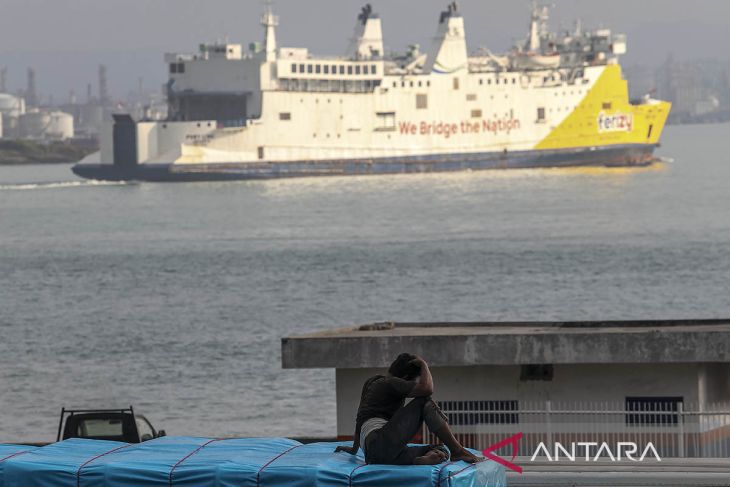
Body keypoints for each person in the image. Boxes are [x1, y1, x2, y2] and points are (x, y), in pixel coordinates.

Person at [335, 353, 482, 465]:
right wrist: (424, 364)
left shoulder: (372, 381)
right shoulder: (391, 383)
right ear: (405, 377)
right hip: (379, 442)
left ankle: (417, 460)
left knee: (440, 450)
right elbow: (427, 389)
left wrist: (354, 449)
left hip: (374, 454)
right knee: (424, 401)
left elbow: (360, 417)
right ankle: (457, 451)